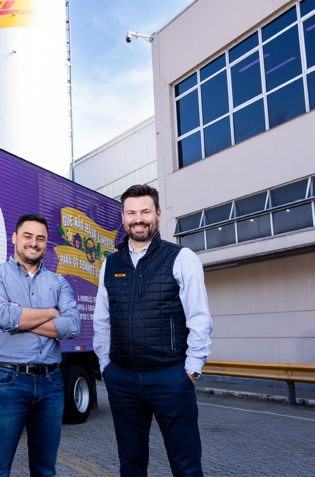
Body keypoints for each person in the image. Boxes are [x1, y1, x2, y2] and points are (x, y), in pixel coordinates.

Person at [93, 184, 212, 477]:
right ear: (123, 217)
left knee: (185, 465)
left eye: (145, 211)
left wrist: (191, 371)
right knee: (130, 465)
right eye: (131, 213)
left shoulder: (182, 257)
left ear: (158, 214)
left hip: (170, 378)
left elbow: (199, 319)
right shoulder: (110, 263)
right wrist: (106, 366)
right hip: (122, 379)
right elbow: (101, 320)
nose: (138, 219)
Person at [0, 213, 80, 477]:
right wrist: (52, 312)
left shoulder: (59, 282)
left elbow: (72, 327)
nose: (34, 243)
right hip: (8, 381)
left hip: (51, 383)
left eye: (40, 238)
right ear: (14, 238)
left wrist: (20, 318)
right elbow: (3, 316)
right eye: (27, 236)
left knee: (45, 470)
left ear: (46, 243)